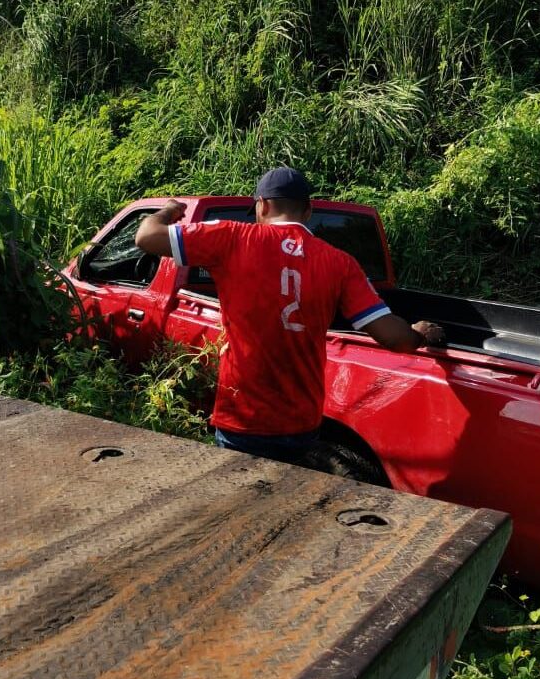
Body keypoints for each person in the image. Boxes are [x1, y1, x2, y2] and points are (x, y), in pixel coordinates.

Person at [135, 167, 444, 462]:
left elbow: (146, 237)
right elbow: (393, 337)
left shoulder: (232, 238)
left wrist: (170, 210)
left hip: (244, 419)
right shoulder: (340, 262)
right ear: (308, 212)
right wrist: (419, 333)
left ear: (263, 205)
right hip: (301, 424)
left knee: (238, 506)